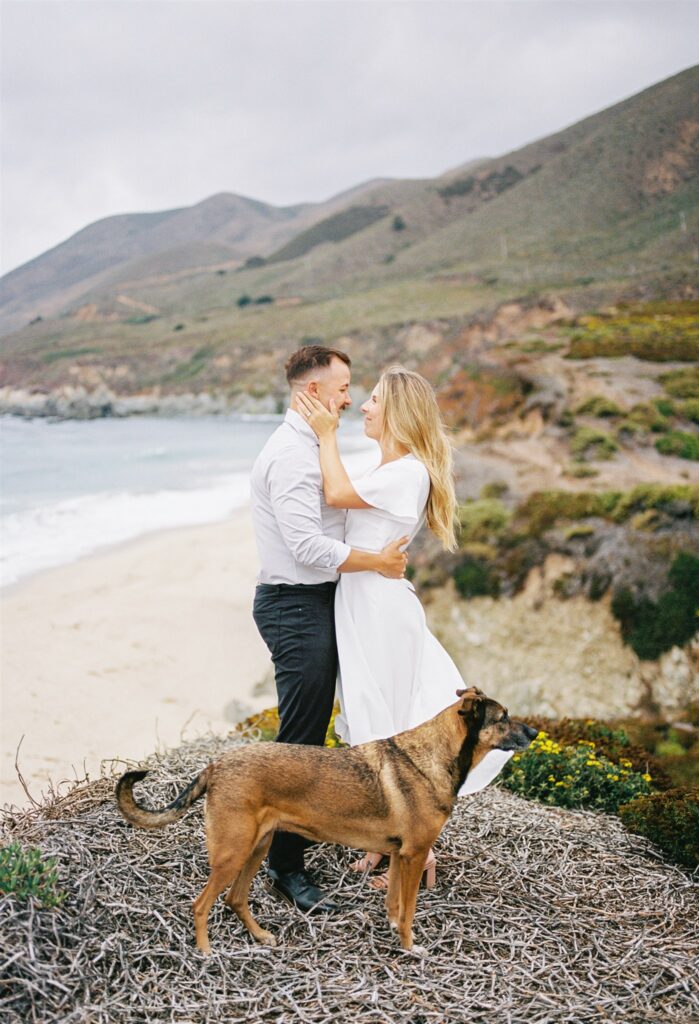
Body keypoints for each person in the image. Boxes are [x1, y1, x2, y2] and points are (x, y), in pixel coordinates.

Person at [250, 346, 409, 913]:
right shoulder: (291, 456)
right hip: (295, 607)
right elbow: (307, 547)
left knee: (326, 729)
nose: (350, 396)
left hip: (321, 601)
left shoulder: (313, 444)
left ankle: (314, 842)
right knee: (302, 739)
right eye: (343, 387)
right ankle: (284, 868)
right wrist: (380, 564)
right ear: (313, 391)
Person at [295, 365, 464, 889]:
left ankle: (417, 857)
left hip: (379, 612)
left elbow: (336, 495)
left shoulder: (409, 471)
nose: (363, 408)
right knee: (372, 722)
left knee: (389, 731)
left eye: (372, 400)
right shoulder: (389, 466)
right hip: (364, 603)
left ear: (397, 411)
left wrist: (325, 434)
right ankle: (384, 843)